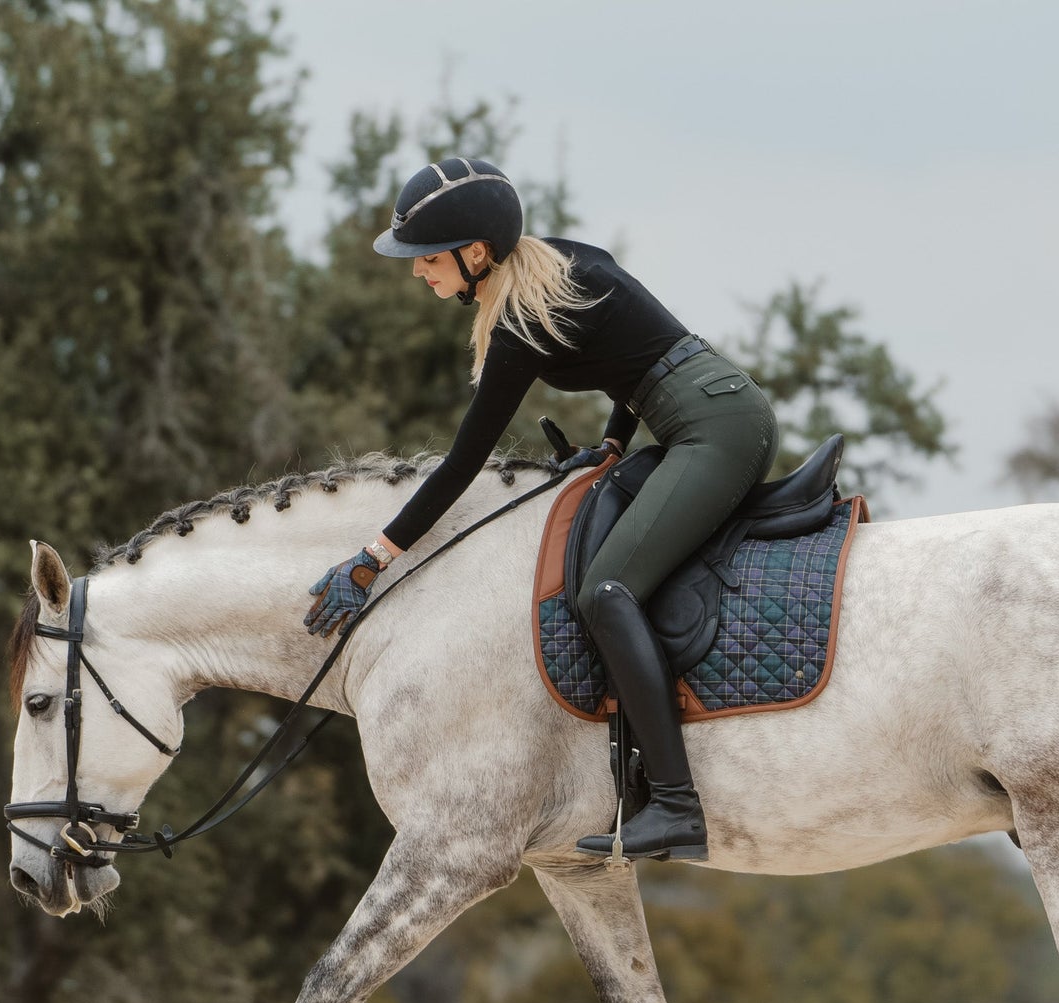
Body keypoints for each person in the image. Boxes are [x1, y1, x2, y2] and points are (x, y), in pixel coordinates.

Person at [303, 157, 780, 861]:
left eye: (426, 258)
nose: (415, 271)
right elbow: (645, 353)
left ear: (475, 253)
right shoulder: (562, 267)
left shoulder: (522, 319)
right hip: (702, 417)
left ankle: (677, 803)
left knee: (607, 588)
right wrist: (614, 441)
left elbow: (464, 461)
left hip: (718, 429)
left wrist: (374, 558)